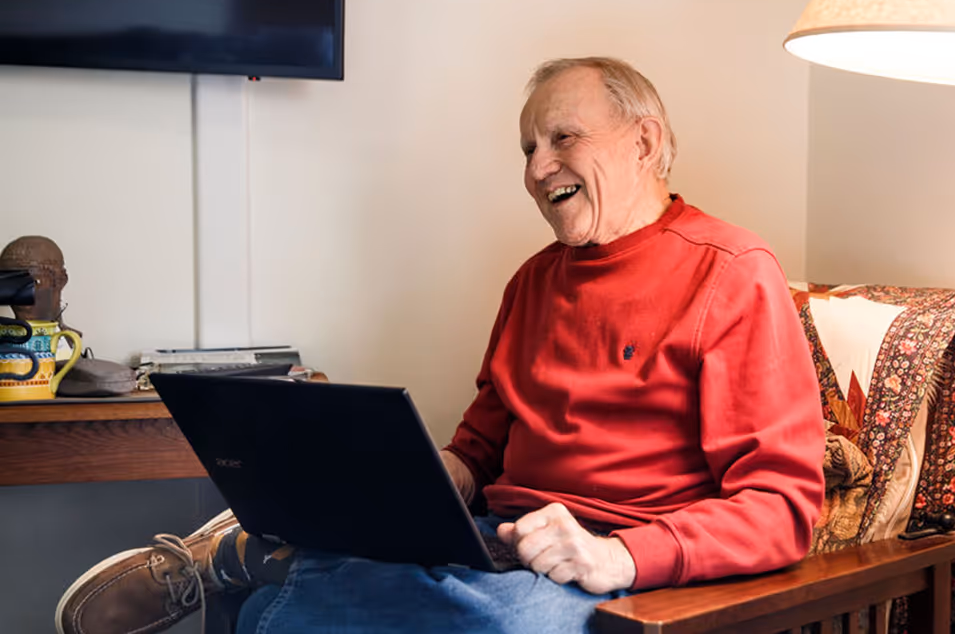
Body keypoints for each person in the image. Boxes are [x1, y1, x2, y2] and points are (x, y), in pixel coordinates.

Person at [56, 57, 825, 634]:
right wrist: (419, 479)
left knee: (480, 622)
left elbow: (783, 507)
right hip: (490, 538)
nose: (535, 168)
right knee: (325, 582)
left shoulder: (731, 272)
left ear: (646, 141)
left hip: (616, 564)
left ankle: (256, 562)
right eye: (526, 147)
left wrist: (618, 555)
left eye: (562, 137)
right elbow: (483, 441)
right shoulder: (531, 281)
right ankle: (271, 553)